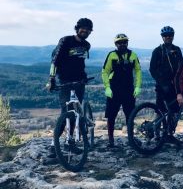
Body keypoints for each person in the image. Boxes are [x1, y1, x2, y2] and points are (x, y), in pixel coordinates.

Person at [46, 17, 93, 158]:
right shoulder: (66, 41)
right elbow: (55, 61)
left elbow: (81, 63)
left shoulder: (87, 45)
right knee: (66, 112)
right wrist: (52, 79)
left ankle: (69, 142)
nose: (85, 31)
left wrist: (84, 77)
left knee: (75, 113)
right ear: (77, 28)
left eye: (88, 29)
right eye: (83, 28)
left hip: (79, 82)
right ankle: (54, 146)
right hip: (64, 81)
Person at [102, 33, 142, 148]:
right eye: (120, 43)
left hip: (128, 89)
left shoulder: (133, 55)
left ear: (127, 43)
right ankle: (110, 139)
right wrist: (107, 87)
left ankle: (131, 138)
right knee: (111, 115)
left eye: (124, 42)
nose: (122, 44)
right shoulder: (112, 55)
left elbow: (138, 71)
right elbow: (105, 72)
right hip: (114, 89)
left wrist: (138, 86)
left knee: (130, 114)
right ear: (116, 44)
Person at [149, 26, 183, 142]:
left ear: (173, 36)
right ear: (162, 37)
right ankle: (156, 135)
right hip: (162, 86)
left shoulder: (177, 50)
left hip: (175, 86)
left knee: (174, 110)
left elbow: (182, 67)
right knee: (160, 110)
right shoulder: (158, 51)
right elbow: (152, 69)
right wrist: (162, 83)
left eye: (170, 35)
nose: (168, 37)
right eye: (165, 35)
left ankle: (169, 134)